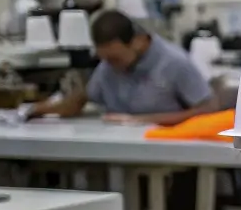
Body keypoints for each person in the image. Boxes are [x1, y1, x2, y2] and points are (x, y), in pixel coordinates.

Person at [28, 10, 214, 126]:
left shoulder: (174, 63)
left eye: (115, 59)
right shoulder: (107, 67)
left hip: (171, 153)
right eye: (104, 59)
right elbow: (81, 100)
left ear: (138, 42)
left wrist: (141, 121)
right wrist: (37, 110)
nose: (110, 65)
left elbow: (209, 110)